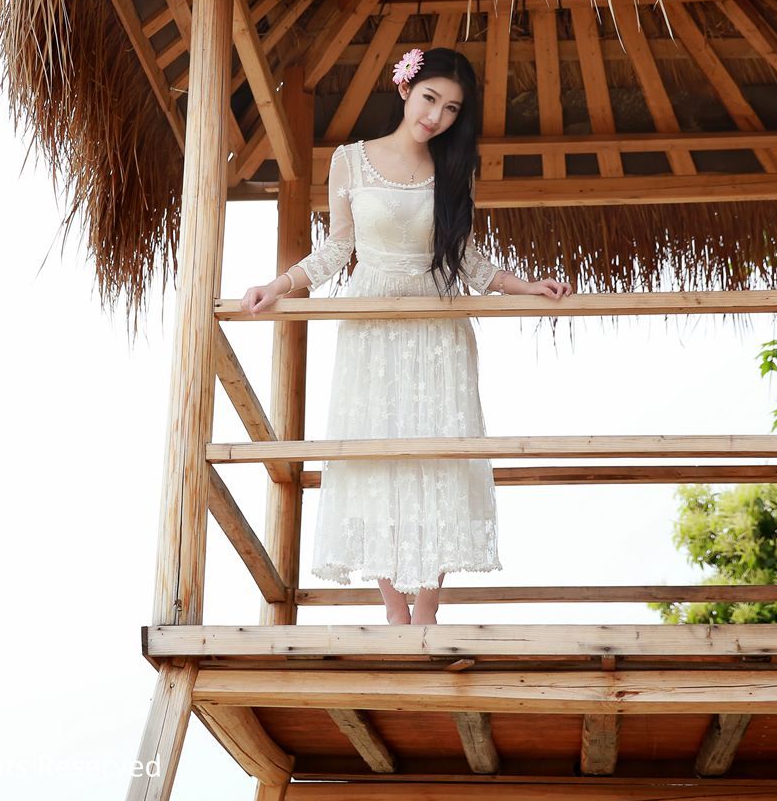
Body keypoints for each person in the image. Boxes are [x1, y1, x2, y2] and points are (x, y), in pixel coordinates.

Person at [241, 46, 571, 625]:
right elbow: (336, 250)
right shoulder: (349, 160)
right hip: (370, 326)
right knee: (373, 453)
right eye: (430, 98)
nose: (436, 116)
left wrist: (526, 287)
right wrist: (276, 285)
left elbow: (467, 261)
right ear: (404, 89)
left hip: (437, 327)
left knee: (439, 455)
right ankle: (394, 612)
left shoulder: (453, 169)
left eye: (450, 108)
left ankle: (427, 614)